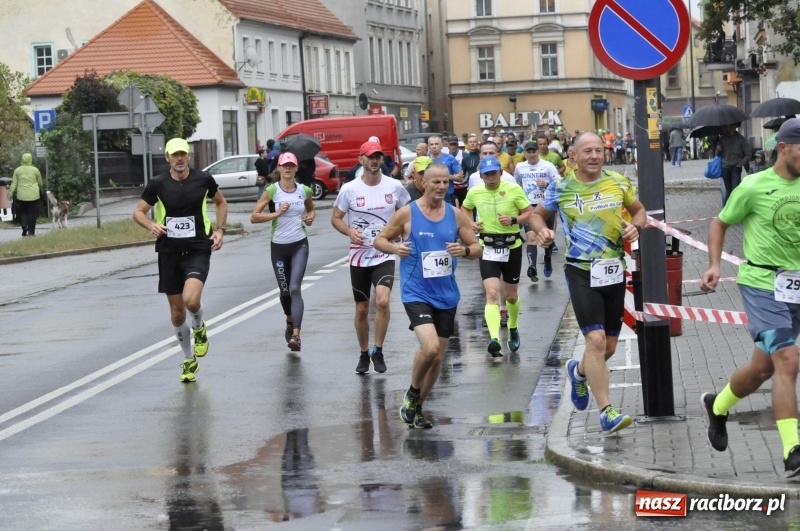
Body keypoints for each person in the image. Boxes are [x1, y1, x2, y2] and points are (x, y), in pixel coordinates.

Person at [700, 117, 800, 478]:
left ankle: (719, 404)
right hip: (761, 283)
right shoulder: (754, 186)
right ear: (783, 147)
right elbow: (720, 223)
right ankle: (793, 449)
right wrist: (713, 265)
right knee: (788, 360)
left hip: (797, 287)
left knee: (763, 368)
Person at [531, 132, 645, 433]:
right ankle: (607, 411)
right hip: (580, 271)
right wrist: (542, 231)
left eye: (599, 151)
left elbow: (640, 211)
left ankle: (578, 372)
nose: (594, 156)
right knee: (593, 341)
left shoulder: (618, 182)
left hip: (613, 271)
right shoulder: (561, 186)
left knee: (606, 348)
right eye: (588, 151)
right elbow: (536, 216)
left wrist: (637, 227)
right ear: (574, 155)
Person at [373, 162, 481, 429]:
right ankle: (411, 392)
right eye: (436, 182)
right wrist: (395, 249)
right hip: (416, 291)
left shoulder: (455, 215)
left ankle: (418, 406)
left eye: (445, 182)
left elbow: (477, 247)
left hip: (447, 294)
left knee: (437, 358)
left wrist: (465, 252)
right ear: (424, 183)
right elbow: (380, 240)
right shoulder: (407, 213)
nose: (442, 187)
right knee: (430, 347)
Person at [133, 138, 228, 383]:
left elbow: (220, 202)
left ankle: (199, 326)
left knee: (190, 299)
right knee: (176, 313)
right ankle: (188, 360)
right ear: (167, 158)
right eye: (174, 155)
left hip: (198, 247)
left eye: (183, 155)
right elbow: (138, 211)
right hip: (169, 251)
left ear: (188, 157)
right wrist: (151, 225)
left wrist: (220, 230)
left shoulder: (203, 179)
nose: (179, 159)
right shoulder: (158, 184)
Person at [332, 140, 411, 374]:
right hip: (359, 256)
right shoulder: (349, 189)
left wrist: (402, 234)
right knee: (362, 308)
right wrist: (349, 231)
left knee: (383, 301)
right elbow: (336, 218)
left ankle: (378, 350)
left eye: (378, 156)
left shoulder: (394, 186)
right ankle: (364, 352)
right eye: (370, 157)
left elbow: (408, 213)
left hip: (384, 253)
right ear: (361, 160)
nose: (375, 160)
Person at [462, 156, 532, 356]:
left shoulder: (513, 190)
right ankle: (493, 339)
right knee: (492, 294)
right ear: (481, 176)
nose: (491, 178)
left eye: (494, 173)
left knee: (510, 296)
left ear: (501, 173)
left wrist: (513, 219)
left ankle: (512, 326)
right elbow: (465, 209)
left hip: (512, 245)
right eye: (487, 174)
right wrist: (471, 223)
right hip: (488, 246)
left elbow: (529, 212)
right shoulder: (475, 192)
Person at [251, 151, 316, 352]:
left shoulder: (304, 190)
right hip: (279, 246)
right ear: (278, 168)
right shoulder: (272, 191)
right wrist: (277, 213)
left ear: (296, 168)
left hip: (299, 244)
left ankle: (296, 334)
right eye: (284, 165)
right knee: (285, 291)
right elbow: (254, 217)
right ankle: (289, 319)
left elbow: (311, 209)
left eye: (291, 165)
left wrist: (310, 217)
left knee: (295, 288)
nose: (288, 168)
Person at [515, 141, 560, 282]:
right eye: (528, 152)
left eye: (534, 151)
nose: (531, 154)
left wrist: (547, 184)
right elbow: (515, 184)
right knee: (531, 237)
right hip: (530, 207)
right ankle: (532, 267)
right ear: (525, 153)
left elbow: (560, 183)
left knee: (547, 237)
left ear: (538, 152)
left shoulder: (547, 166)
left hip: (546, 206)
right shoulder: (520, 167)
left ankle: (547, 258)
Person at [9, 153, 44, 237]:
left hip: (21, 195)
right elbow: (40, 182)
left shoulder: (17, 170)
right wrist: (41, 189)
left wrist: (10, 193)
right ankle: (31, 232)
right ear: (31, 159)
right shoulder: (35, 170)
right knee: (32, 214)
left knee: (22, 212)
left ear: (22, 159)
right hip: (33, 195)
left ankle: (24, 226)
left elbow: (14, 183)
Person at [717, 123, 751, 205]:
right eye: (728, 126)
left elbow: (748, 154)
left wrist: (740, 164)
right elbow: (717, 154)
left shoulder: (741, 139)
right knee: (728, 191)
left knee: (735, 190)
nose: (730, 128)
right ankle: (728, 210)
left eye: (731, 126)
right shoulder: (722, 139)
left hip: (735, 168)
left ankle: (734, 208)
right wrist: (718, 149)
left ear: (736, 126)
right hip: (725, 167)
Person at [428, 135, 464, 204]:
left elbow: (460, 177)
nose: (434, 146)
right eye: (431, 144)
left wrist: (445, 176)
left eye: (436, 144)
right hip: (432, 196)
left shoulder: (450, 158)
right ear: (429, 147)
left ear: (441, 146)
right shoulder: (426, 160)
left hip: (448, 196)